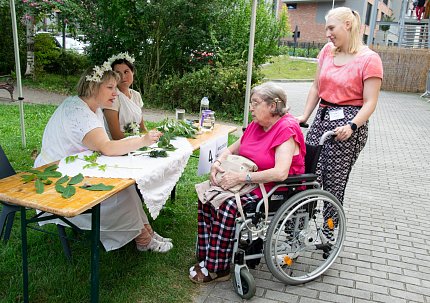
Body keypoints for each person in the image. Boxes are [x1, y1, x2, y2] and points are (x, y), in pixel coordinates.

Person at [34, 63, 173, 253]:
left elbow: (103, 145)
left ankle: (146, 231)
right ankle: (142, 238)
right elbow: (107, 147)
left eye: (115, 88)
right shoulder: (78, 111)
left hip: (74, 167)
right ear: (93, 87)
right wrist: (143, 140)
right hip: (56, 175)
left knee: (127, 186)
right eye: (110, 87)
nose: (115, 93)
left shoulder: (92, 107)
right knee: (118, 192)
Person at [189, 82, 306, 283]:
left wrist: (240, 178)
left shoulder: (286, 129)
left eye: (255, 103)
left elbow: (280, 172)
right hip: (250, 181)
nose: (250, 107)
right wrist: (218, 162)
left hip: (274, 188)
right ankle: (209, 254)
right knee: (207, 195)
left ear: (272, 106)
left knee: (227, 205)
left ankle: (219, 268)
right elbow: (233, 148)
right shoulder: (257, 124)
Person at [297, 7, 383, 210]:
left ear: (348, 25)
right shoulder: (327, 51)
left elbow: (370, 101)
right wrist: (304, 116)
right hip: (322, 116)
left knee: (333, 182)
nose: (328, 34)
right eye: (326, 29)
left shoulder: (370, 59)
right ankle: (299, 228)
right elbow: (316, 87)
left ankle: (329, 231)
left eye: (331, 28)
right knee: (308, 174)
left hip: (349, 121)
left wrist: (352, 126)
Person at [103, 52, 147, 139]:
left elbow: (142, 128)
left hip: (137, 143)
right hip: (117, 147)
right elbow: (116, 136)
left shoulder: (136, 95)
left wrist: (151, 138)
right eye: (118, 73)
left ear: (133, 72)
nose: (123, 77)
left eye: (126, 72)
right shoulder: (111, 97)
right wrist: (139, 142)